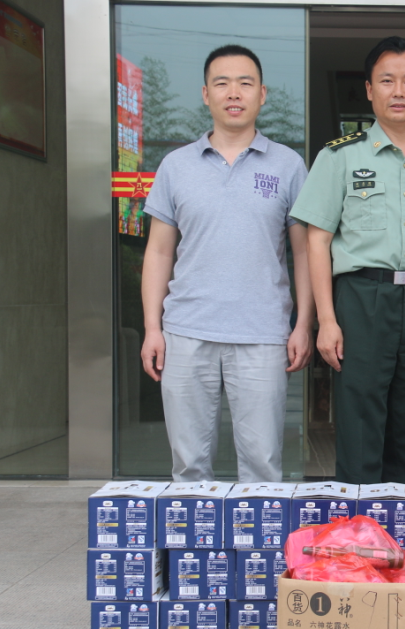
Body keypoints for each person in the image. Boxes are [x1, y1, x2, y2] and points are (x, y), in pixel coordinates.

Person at [290, 37, 405, 485]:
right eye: (387, 81)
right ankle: (361, 527)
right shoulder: (339, 157)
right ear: (369, 90)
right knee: (359, 421)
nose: (398, 91)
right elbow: (317, 241)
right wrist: (325, 321)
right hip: (362, 299)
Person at [141, 45, 313, 483]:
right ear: (206, 94)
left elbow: (304, 252)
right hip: (186, 331)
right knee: (188, 466)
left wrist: (302, 324)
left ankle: (259, 533)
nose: (233, 93)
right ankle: (193, 532)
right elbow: (159, 252)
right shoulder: (176, 166)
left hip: (262, 333)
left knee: (262, 466)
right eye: (222, 83)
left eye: (245, 83)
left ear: (262, 94)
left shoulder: (289, 165)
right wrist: (152, 328)